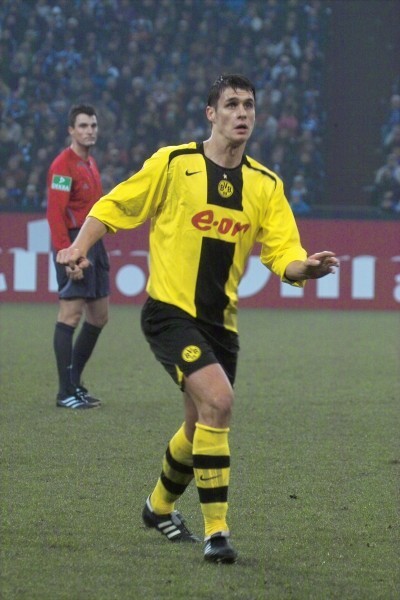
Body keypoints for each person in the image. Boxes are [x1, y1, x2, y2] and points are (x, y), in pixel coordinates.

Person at [57, 75, 339, 561]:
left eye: (248, 105)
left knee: (199, 424)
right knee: (220, 401)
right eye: (231, 104)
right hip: (169, 312)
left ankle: (158, 507)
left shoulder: (265, 185)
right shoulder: (174, 163)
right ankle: (217, 534)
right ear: (211, 113)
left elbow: (283, 252)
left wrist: (304, 268)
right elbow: (116, 205)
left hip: (220, 325)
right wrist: (79, 245)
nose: (242, 113)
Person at [47, 104, 109, 409]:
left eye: (93, 125)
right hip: (73, 244)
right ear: (71, 130)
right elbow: (55, 214)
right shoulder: (62, 166)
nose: (89, 131)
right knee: (70, 315)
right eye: (83, 126)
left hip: (93, 243)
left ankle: (74, 382)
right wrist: (68, 255)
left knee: (99, 316)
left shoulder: (90, 163)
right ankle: (65, 393)